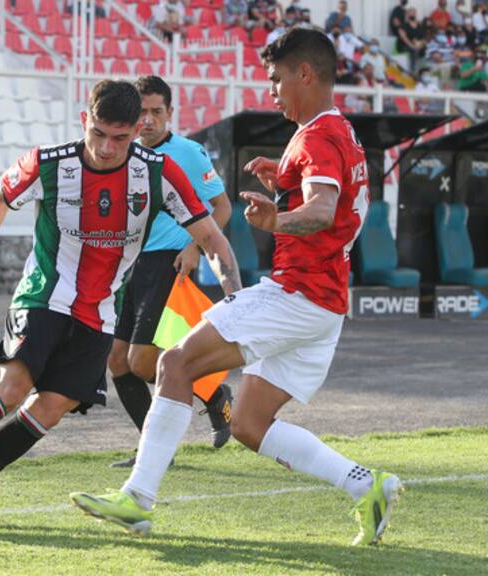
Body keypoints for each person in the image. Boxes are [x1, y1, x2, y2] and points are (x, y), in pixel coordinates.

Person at [70, 28, 403, 547]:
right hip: (324, 303)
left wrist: (280, 218)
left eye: (276, 79)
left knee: (173, 363)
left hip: (298, 294)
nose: (271, 91)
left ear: (305, 74)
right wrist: (285, 185)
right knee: (249, 424)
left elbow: (321, 212)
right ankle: (368, 485)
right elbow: (325, 200)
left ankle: (138, 498)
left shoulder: (316, 135)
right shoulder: (338, 131)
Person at [0, 79, 242, 533]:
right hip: (45, 297)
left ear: (136, 130)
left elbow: (212, 237)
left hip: (101, 312)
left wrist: (234, 300)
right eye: (99, 134)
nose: (108, 148)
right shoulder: (49, 163)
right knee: (10, 388)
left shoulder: (158, 172)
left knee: (48, 409)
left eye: (120, 138)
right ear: (85, 121)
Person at [108, 76, 233, 468]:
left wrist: (194, 246)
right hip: (128, 264)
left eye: (156, 112)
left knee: (143, 362)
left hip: (169, 261)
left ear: (170, 113)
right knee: (116, 361)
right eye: (141, 112)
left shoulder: (189, 153)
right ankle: (153, 450)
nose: (147, 120)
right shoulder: (122, 152)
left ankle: (214, 394)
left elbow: (223, 208)